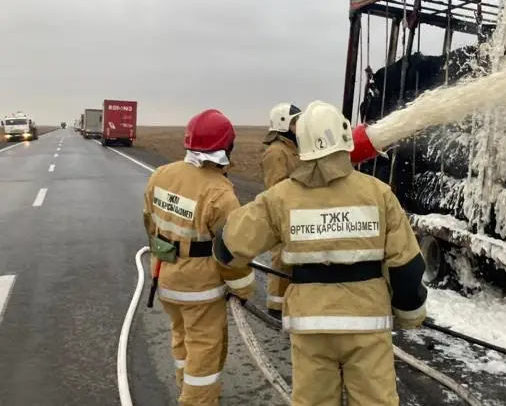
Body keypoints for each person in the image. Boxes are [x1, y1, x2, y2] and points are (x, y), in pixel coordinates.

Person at [213, 100, 427, 406]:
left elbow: (228, 246)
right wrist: (409, 315)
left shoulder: (281, 198)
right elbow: (406, 268)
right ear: (344, 138)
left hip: (310, 327)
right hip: (367, 325)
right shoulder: (378, 194)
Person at [143, 109, 255, 406]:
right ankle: (197, 400)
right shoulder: (220, 193)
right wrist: (243, 288)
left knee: (181, 336)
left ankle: (183, 384)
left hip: (165, 277)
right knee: (205, 349)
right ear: (227, 146)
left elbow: (150, 224)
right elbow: (232, 253)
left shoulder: (160, 176)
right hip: (200, 290)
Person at [261, 102, 302, 319]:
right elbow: (277, 187)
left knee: (291, 260)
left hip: (295, 211)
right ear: (283, 123)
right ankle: (276, 307)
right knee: (281, 259)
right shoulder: (276, 152)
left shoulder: (292, 148)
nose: (298, 125)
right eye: (294, 121)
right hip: (282, 213)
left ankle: (288, 303)